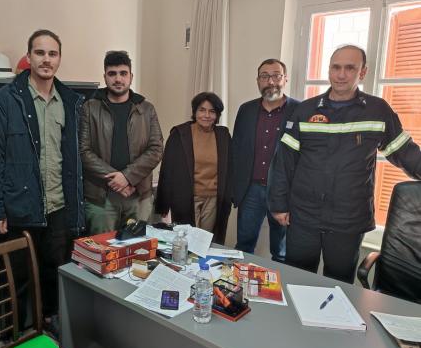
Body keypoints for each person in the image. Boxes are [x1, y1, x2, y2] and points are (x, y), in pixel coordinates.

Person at [269, 45, 421, 283]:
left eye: (350, 68)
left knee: (339, 284)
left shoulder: (377, 110)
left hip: (348, 220)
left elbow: (404, 151)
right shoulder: (304, 110)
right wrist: (278, 204)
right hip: (304, 216)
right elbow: (283, 162)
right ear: (329, 70)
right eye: (336, 67)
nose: (341, 75)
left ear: (363, 72)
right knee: (296, 280)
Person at [0, 29, 84, 333]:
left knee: (54, 275)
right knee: (16, 281)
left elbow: (75, 160)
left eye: (52, 54)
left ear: (59, 58)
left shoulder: (70, 101)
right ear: (29, 57)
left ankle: (50, 329)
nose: (46, 59)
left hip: (58, 208)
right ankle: (14, 336)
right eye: (40, 53)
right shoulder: (7, 100)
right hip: (20, 210)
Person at [80, 50, 163, 233]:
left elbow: (156, 149)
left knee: (137, 248)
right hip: (101, 198)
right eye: (112, 74)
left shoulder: (147, 109)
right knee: (102, 249)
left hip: (138, 195)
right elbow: (83, 151)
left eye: (123, 73)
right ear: (105, 77)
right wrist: (116, 180)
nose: (118, 79)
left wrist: (127, 177)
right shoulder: (89, 108)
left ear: (131, 77)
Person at [231, 59, 299, 262]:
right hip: (251, 190)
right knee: (244, 246)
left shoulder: (300, 110)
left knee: (281, 252)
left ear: (285, 79)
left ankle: (279, 283)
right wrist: (235, 188)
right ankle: (239, 281)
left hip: (284, 192)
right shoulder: (246, 110)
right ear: (258, 81)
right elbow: (237, 149)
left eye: (276, 76)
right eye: (264, 76)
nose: (271, 81)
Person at [155, 92, 233, 244]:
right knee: (187, 241)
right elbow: (167, 169)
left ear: (217, 115)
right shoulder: (180, 134)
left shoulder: (223, 135)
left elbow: (231, 168)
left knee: (207, 241)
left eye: (212, 111)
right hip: (185, 198)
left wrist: (231, 196)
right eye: (202, 110)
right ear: (194, 112)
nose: (206, 115)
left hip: (214, 199)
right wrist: (163, 204)